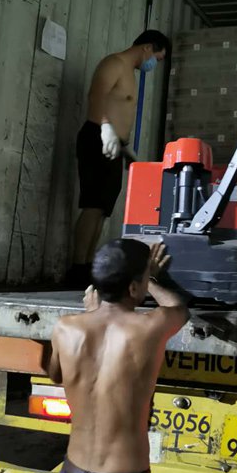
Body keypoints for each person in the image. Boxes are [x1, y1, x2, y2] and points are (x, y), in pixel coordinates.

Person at [45, 239, 189, 473]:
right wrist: (152, 279)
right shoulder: (148, 328)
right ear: (133, 287)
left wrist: (93, 314)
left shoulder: (65, 328)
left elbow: (56, 375)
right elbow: (179, 308)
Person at [68, 30, 171, 288]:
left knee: (103, 208)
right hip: (97, 137)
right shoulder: (114, 63)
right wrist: (105, 127)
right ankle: (77, 267)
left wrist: (124, 147)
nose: (153, 64)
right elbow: (96, 96)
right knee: (92, 204)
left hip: (113, 145)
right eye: (157, 58)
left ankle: (88, 265)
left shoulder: (130, 74)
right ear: (147, 48)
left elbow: (119, 110)